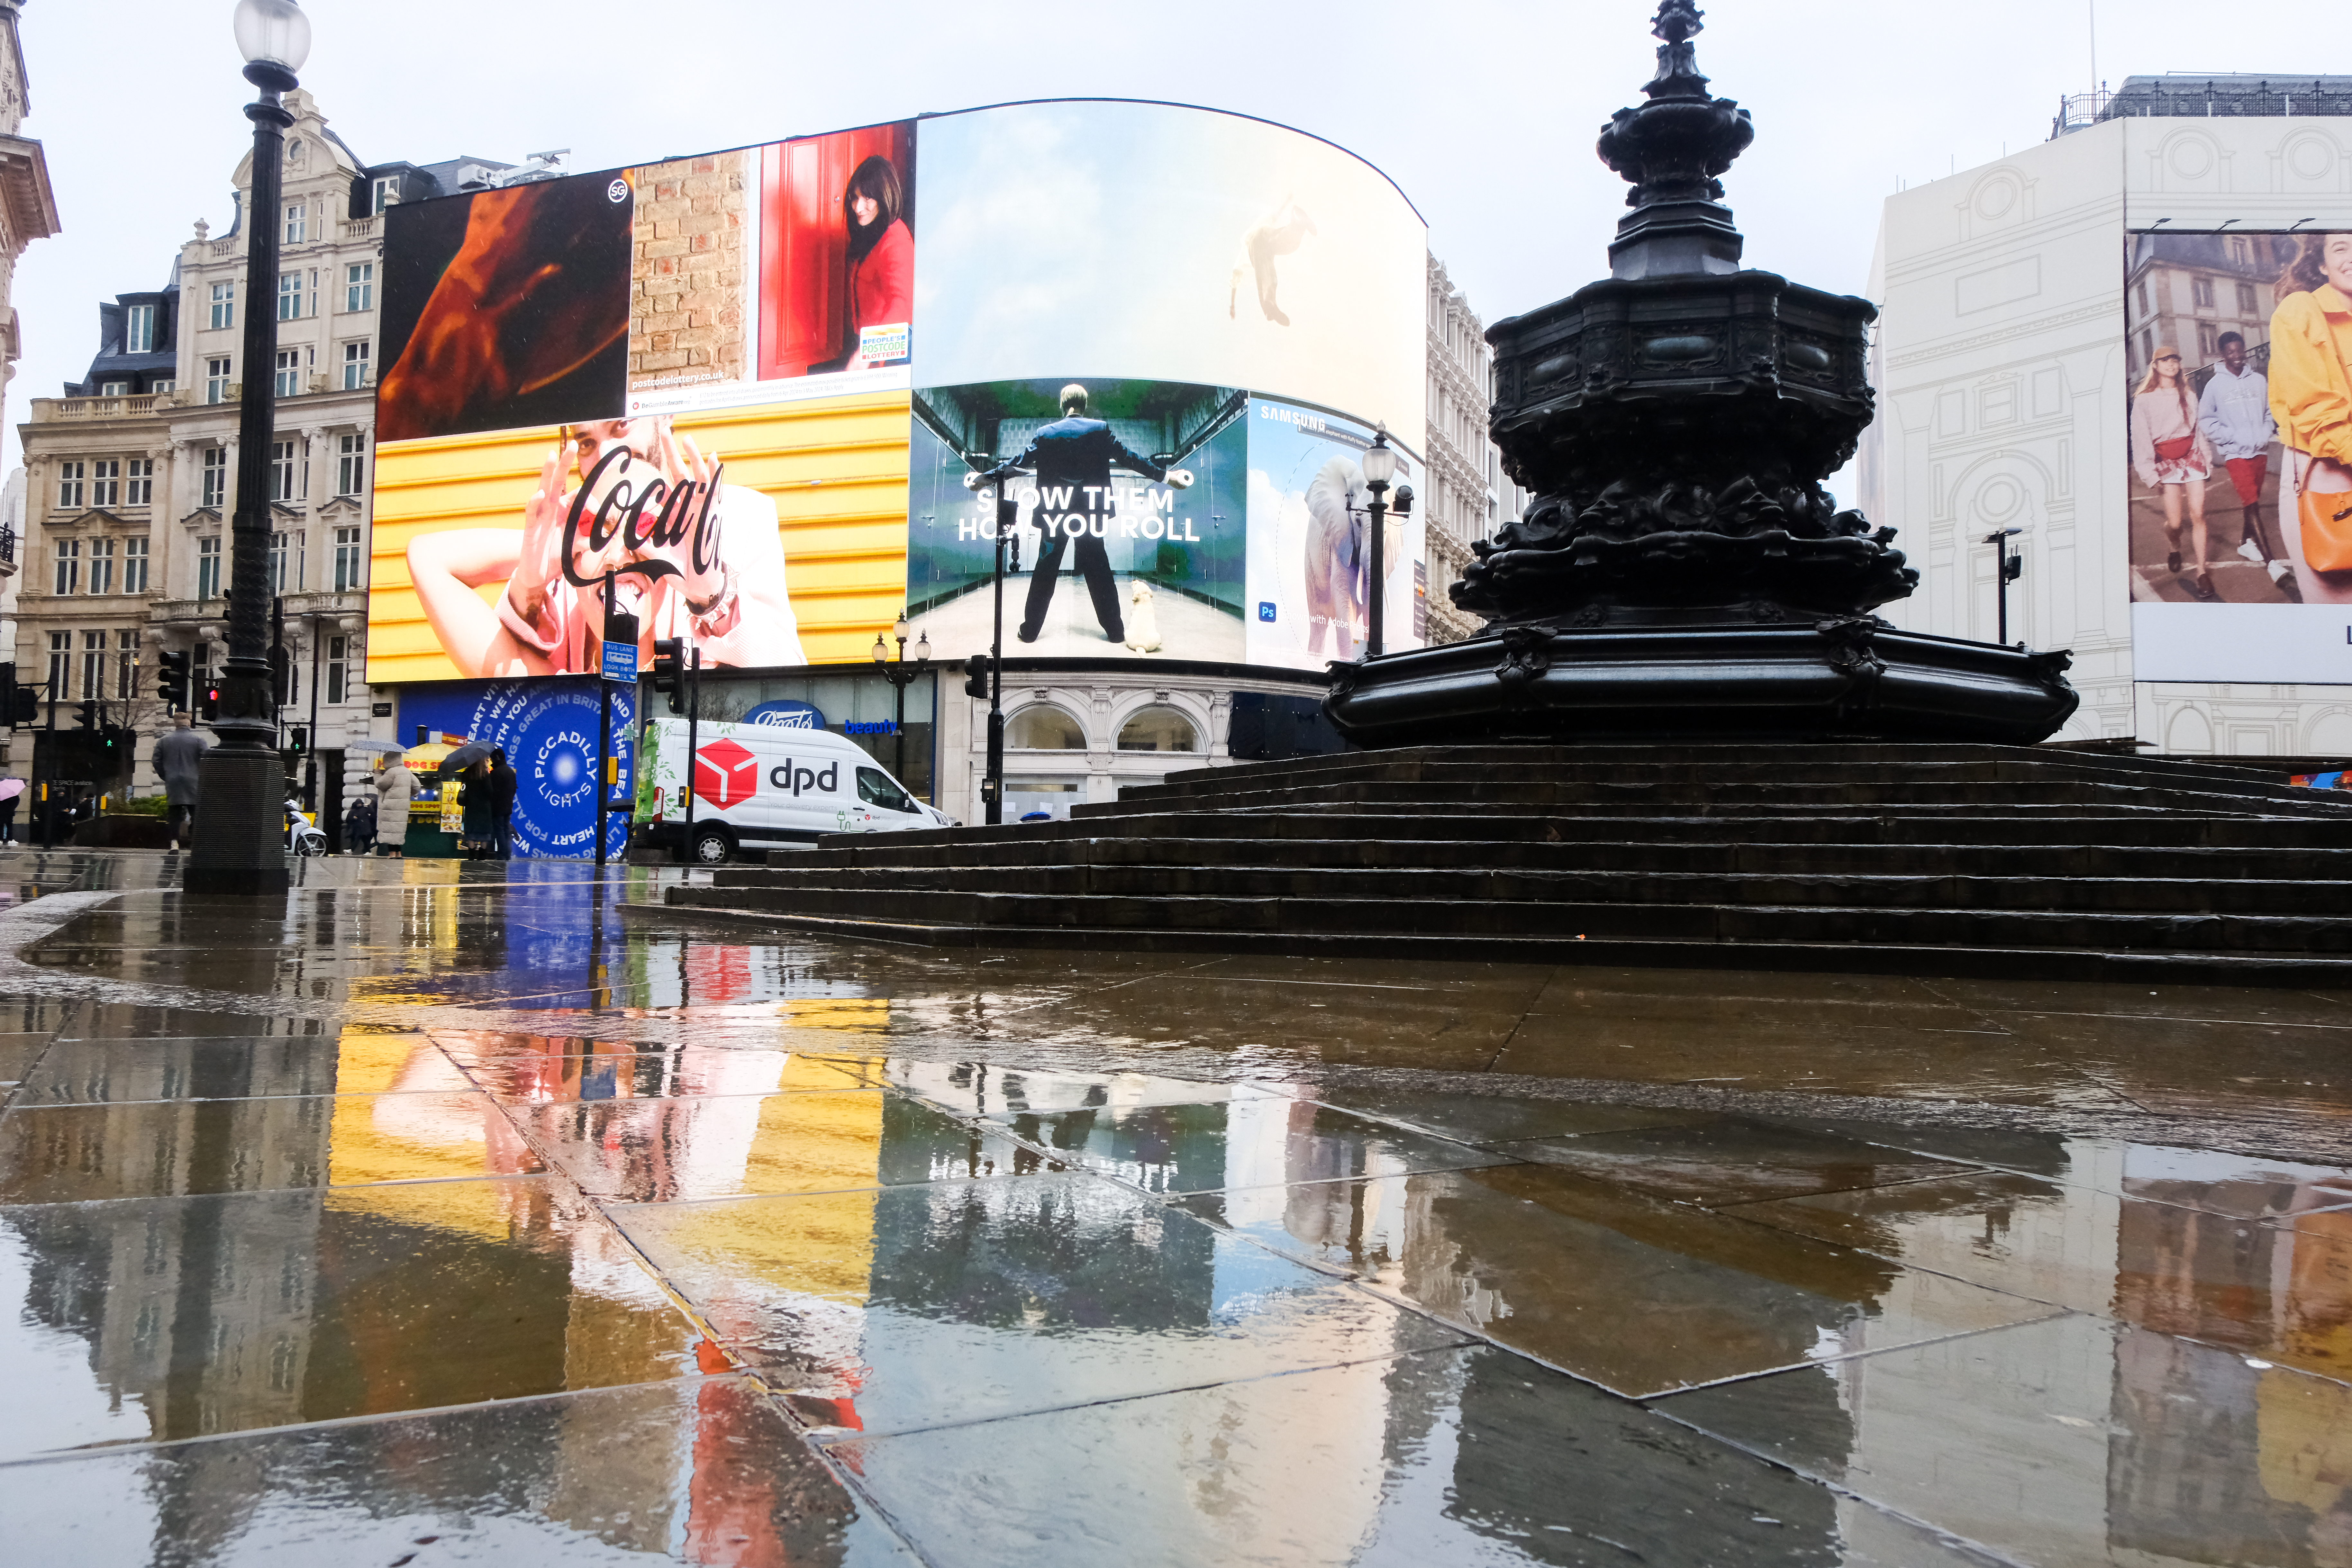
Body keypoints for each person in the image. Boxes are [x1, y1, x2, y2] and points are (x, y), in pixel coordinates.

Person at [404, 415, 805, 678]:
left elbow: (791, 695)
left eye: (621, 427)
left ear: (662, 417)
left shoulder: (738, 516)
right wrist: (554, 554)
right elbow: (429, 558)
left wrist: (713, 599)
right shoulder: (570, 558)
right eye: (586, 442)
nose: (607, 455)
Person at [967, 385, 1194, 646]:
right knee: (1099, 571)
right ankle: (1115, 632)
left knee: (1045, 571)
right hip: (1090, 512)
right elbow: (1129, 458)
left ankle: (1029, 632)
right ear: (1084, 406)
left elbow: (1019, 462)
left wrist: (985, 479)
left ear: (1063, 405)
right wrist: (1167, 477)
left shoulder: (1045, 433)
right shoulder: (1100, 429)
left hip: (1054, 511)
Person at [2268, 231, 2352, 605]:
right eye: (2341, 248)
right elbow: (2317, 413)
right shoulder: (2300, 310)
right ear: (2321, 264)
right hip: (2326, 476)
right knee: (2337, 609)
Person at [2198, 330, 2299, 602]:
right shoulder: (2214, 386)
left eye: (2240, 350)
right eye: (2230, 352)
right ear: (2222, 354)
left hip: (2259, 450)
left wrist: (2265, 431)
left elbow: (2269, 411)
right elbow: (2206, 420)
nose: (2237, 356)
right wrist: (2231, 437)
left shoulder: (2258, 380)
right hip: (2235, 453)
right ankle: (2271, 564)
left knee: (2250, 501)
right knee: (2251, 503)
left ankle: (2245, 543)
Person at [2130, 345, 2218, 600]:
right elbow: (2140, 439)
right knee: (2175, 523)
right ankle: (2174, 544)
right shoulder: (2144, 400)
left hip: (2192, 456)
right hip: (2165, 460)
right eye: (2164, 360)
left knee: (2198, 513)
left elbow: (2198, 432)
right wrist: (2150, 473)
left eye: (2174, 360)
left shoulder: (2188, 395)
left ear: (2179, 365)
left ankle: (2202, 572)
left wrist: (2207, 461)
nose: (2170, 364)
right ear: (2155, 366)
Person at [816, 155, 912, 372]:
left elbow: (903, 304)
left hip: (894, 348)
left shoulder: (896, 239)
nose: (858, 207)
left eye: (868, 198)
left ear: (885, 197)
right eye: (855, 198)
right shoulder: (870, 232)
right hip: (872, 346)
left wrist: (868, 352)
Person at [152, 714, 210, 850]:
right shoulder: (199, 740)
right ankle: (195, 840)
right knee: (196, 812)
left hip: (173, 781)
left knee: (174, 813)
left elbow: (156, 761)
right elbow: (207, 760)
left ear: (175, 723)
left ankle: (174, 843)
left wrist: (166, 776)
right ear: (189, 723)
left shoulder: (164, 741)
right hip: (194, 781)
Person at [374, 755, 415, 858]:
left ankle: (392, 853)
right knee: (397, 830)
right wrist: (406, 795)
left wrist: (377, 774)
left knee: (390, 830)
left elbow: (380, 785)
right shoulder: (407, 771)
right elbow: (417, 786)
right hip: (402, 806)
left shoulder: (392, 772)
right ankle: (399, 853)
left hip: (390, 805)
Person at [459, 761, 494, 861]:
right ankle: (483, 856)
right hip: (484, 809)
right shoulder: (485, 776)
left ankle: (472, 855)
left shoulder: (466, 775)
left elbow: (464, 790)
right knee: (484, 833)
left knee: (471, 833)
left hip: (471, 808)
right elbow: (490, 792)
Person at [487, 748, 518, 858]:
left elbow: (492, 791)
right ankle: (507, 854)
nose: (492, 762)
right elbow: (514, 790)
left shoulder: (496, 773)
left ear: (497, 758)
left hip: (497, 807)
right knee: (506, 830)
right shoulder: (511, 772)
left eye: (492, 760)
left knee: (499, 831)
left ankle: (502, 854)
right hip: (508, 806)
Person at [342, 792, 375, 857]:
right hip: (359, 828)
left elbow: (372, 811)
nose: (359, 805)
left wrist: (368, 806)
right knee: (364, 840)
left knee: (359, 839)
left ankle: (351, 850)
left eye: (360, 804)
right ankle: (368, 852)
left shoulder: (365, 809)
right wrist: (354, 819)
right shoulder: (354, 811)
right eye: (358, 804)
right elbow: (349, 819)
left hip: (364, 828)